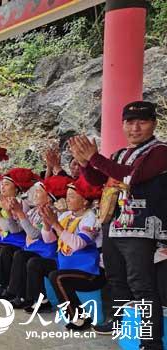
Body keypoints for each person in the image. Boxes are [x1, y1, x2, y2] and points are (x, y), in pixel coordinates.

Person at [70, 101, 166, 347]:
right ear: (123, 125)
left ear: (153, 124)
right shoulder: (120, 154)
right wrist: (84, 163)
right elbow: (97, 180)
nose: (135, 128)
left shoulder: (159, 151)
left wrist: (95, 157)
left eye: (142, 122)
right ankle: (120, 322)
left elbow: (132, 175)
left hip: (142, 228)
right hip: (113, 223)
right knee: (116, 278)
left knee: (141, 284)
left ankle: (150, 341)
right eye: (129, 122)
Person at [6, 176, 71, 313]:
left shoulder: (52, 212)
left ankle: (28, 297)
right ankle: (20, 294)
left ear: (48, 198)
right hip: (34, 249)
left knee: (25, 258)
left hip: (47, 253)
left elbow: (36, 234)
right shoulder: (34, 211)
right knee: (20, 255)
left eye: (39, 192)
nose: (34, 194)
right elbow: (14, 230)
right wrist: (9, 213)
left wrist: (19, 212)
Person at [48, 176, 104, 330]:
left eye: (72, 196)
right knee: (36, 263)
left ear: (85, 201)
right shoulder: (66, 216)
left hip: (89, 273)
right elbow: (49, 239)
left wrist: (55, 224)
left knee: (56, 277)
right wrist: (47, 225)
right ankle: (41, 301)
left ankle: (79, 318)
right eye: (67, 196)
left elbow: (78, 244)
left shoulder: (90, 218)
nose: (68, 200)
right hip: (67, 266)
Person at [0, 168, 39, 294]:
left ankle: (6, 286)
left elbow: (14, 230)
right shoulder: (1, 202)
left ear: (16, 189)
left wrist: (9, 213)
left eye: (7, 184)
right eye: (2, 184)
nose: (3, 187)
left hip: (18, 241)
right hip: (6, 239)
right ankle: (3, 285)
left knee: (1, 249)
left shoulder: (21, 204)